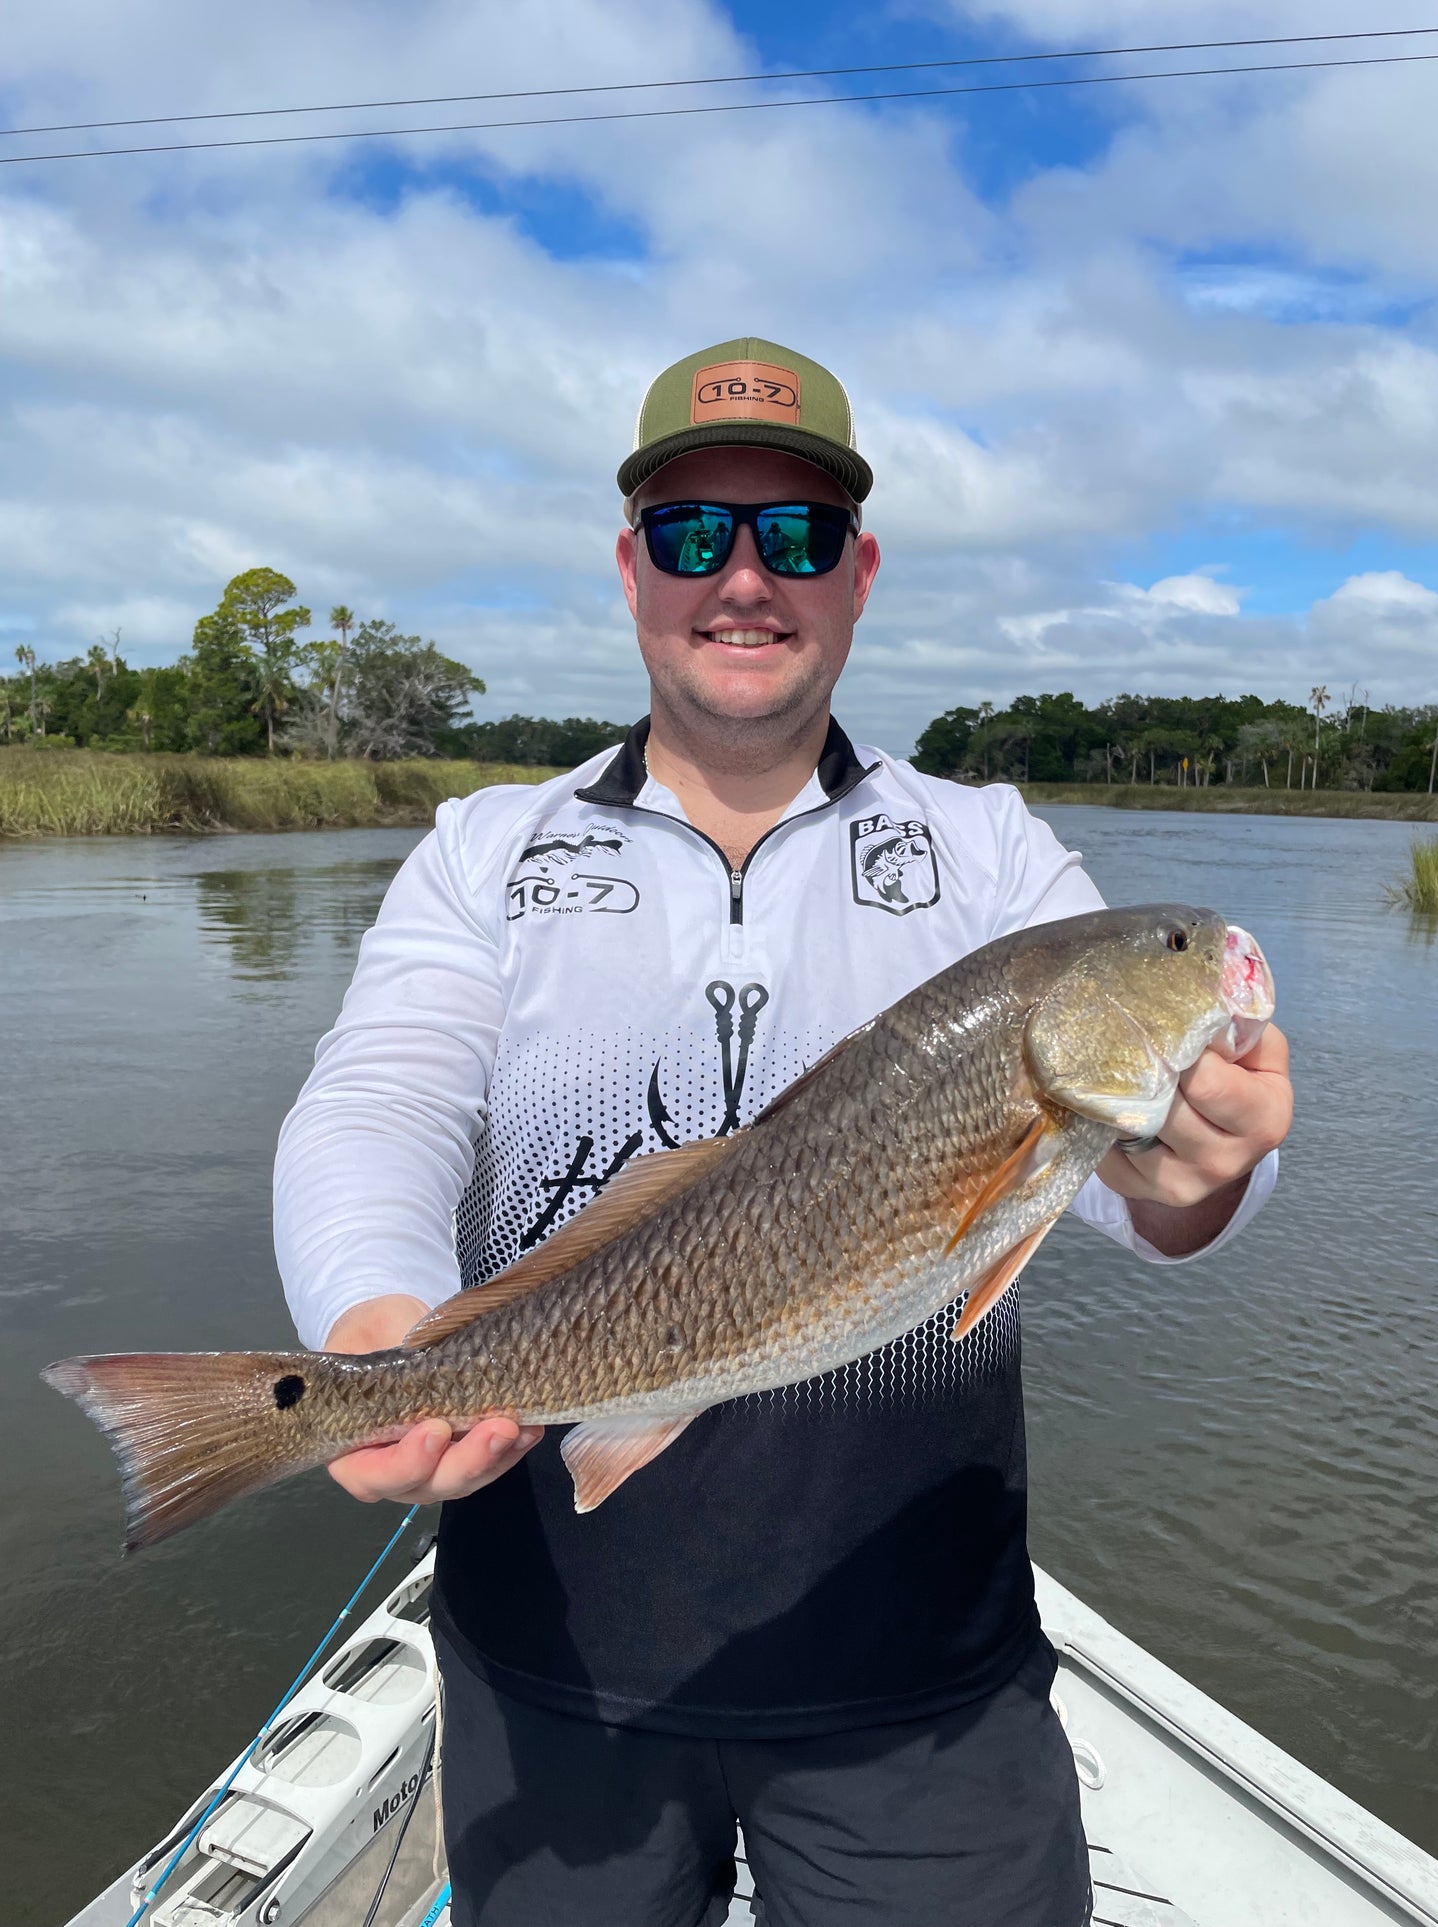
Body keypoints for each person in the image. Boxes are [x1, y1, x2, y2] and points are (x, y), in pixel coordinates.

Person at [274, 336, 1293, 1927]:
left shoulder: (991, 853)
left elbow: (1152, 1189)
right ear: (631, 570)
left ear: (857, 572)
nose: (743, 576)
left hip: (923, 1689)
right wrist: (381, 1328)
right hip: (553, 1665)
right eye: (693, 533)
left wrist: (1208, 1161)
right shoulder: (487, 849)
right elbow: (381, 1095)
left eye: (795, 535)